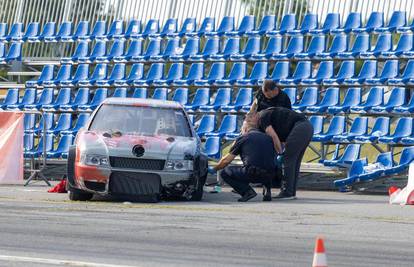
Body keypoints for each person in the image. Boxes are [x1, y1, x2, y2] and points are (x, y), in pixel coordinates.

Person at [247, 107, 313, 199]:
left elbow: (273, 136)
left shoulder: (262, 117)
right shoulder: (264, 118)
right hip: (306, 127)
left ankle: (287, 192)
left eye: (250, 121)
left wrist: (280, 153)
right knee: (294, 162)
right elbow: (280, 135)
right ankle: (291, 192)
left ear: (255, 116)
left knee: (287, 160)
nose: (252, 125)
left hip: (301, 127)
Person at [209, 119, 277, 202]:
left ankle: (247, 191)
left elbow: (226, 161)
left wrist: (214, 169)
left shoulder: (243, 138)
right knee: (266, 164)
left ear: (245, 128)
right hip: (271, 174)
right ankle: (267, 191)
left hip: (252, 173)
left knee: (225, 172)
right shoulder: (268, 138)